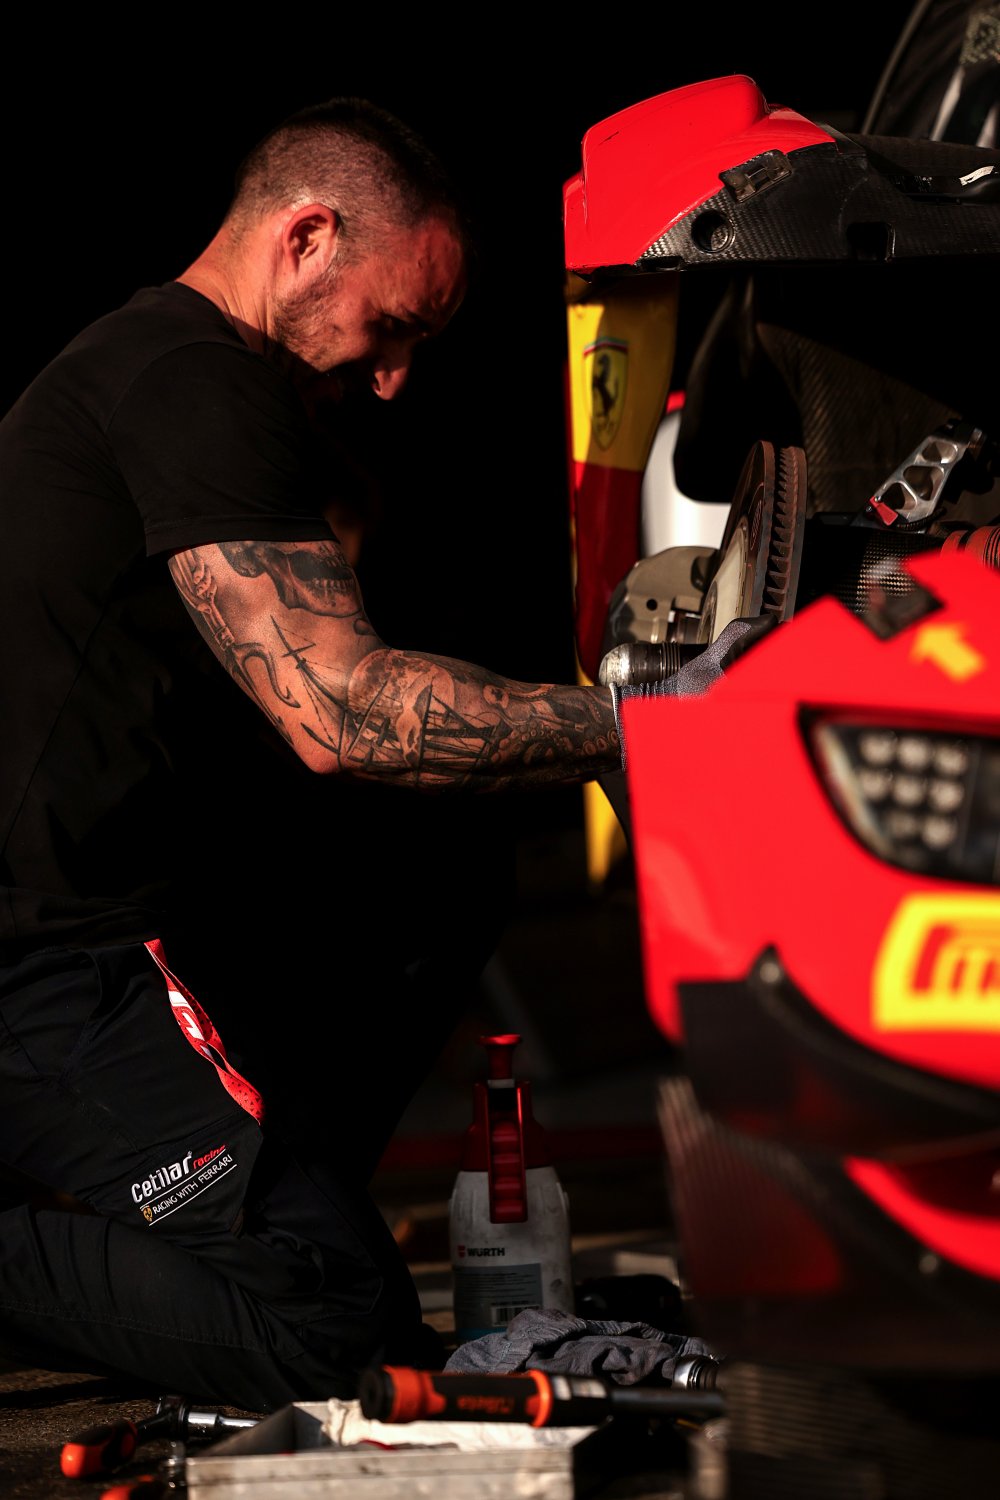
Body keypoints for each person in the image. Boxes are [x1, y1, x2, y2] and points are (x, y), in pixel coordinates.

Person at [0, 96, 625, 1412]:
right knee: (337, 1330)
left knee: (443, 852)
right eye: (392, 327)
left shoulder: (163, 374)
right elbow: (342, 714)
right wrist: (650, 728)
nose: (394, 378)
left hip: (129, 921)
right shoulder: (188, 377)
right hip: (45, 965)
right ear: (306, 239)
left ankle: (271, 1212)